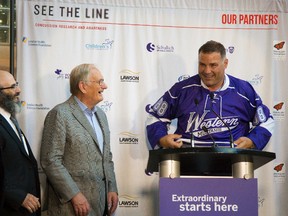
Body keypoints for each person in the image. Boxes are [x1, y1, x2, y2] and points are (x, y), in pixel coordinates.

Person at [145, 40, 274, 150]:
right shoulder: (181, 90)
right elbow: (154, 117)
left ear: (225, 63)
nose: (207, 71)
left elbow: (266, 121)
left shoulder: (244, 90)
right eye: (202, 64)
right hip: (187, 161)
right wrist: (162, 138)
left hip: (233, 161)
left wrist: (252, 141)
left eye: (213, 65)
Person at [40, 63, 118, 216]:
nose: (105, 86)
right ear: (83, 86)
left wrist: (112, 187)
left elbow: (106, 157)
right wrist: (74, 194)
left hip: (101, 206)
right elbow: (50, 161)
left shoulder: (101, 115)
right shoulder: (60, 114)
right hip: (71, 207)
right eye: (100, 82)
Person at [0, 70, 41, 215]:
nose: (18, 90)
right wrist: (18, 197)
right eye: (12, 87)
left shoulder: (10, 119)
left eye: (16, 84)